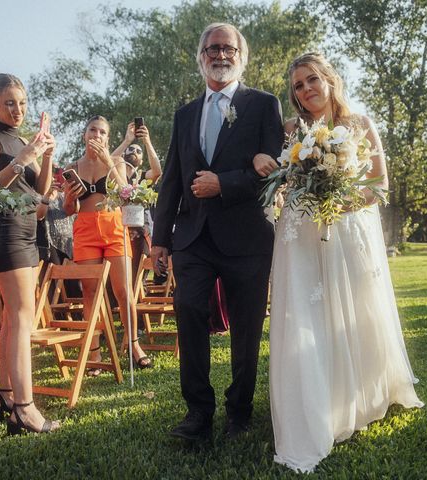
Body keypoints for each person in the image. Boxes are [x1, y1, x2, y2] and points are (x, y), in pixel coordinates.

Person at [254, 52, 423, 473]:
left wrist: (338, 201)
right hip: (300, 232)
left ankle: (359, 395)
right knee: (307, 313)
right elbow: (275, 172)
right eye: (298, 85)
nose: (306, 89)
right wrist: (264, 164)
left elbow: (380, 186)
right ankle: (312, 403)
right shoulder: (291, 131)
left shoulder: (361, 124)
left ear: (330, 80)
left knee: (355, 309)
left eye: (312, 80)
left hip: (349, 228)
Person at [151, 23, 284, 441]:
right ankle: (198, 413)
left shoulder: (264, 105)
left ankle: (239, 413)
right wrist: (159, 239)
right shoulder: (185, 114)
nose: (220, 54)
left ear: (241, 57)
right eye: (212, 48)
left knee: (246, 329)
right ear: (201, 56)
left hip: (247, 237)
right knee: (189, 312)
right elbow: (171, 179)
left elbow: (275, 173)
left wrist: (223, 184)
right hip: (193, 238)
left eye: (228, 48)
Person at [0, 73, 60, 434]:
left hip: (30, 229)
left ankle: (5, 396)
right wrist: (24, 156)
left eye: (22, 103)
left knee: (12, 318)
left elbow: (41, 192)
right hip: (6, 231)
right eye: (9, 103)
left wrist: (48, 156)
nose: (17, 109)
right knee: (24, 317)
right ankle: (24, 409)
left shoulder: (27, 138)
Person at [62, 115, 153, 375]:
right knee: (90, 293)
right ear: (84, 134)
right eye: (93, 130)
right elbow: (69, 209)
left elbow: (126, 192)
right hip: (85, 228)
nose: (97, 135)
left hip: (114, 226)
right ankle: (94, 351)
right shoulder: (73, 167)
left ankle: (134, 345)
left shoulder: (116, 162)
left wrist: (106, 162)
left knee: (123, 290)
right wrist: (69, 198)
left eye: (102, 132)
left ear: (107, 138)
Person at [112, 121, 163, 284]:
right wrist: (127, 140)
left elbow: (157, 171)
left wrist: (146, 141)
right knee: (118, 276)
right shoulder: (115, 177)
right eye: (131, 149)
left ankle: (135, 306)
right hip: (117, 231)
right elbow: (110, 160)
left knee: (135, 277)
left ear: (141, 160)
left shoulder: (142, 177)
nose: (134, 150)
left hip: (140, 232)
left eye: (138, 150)